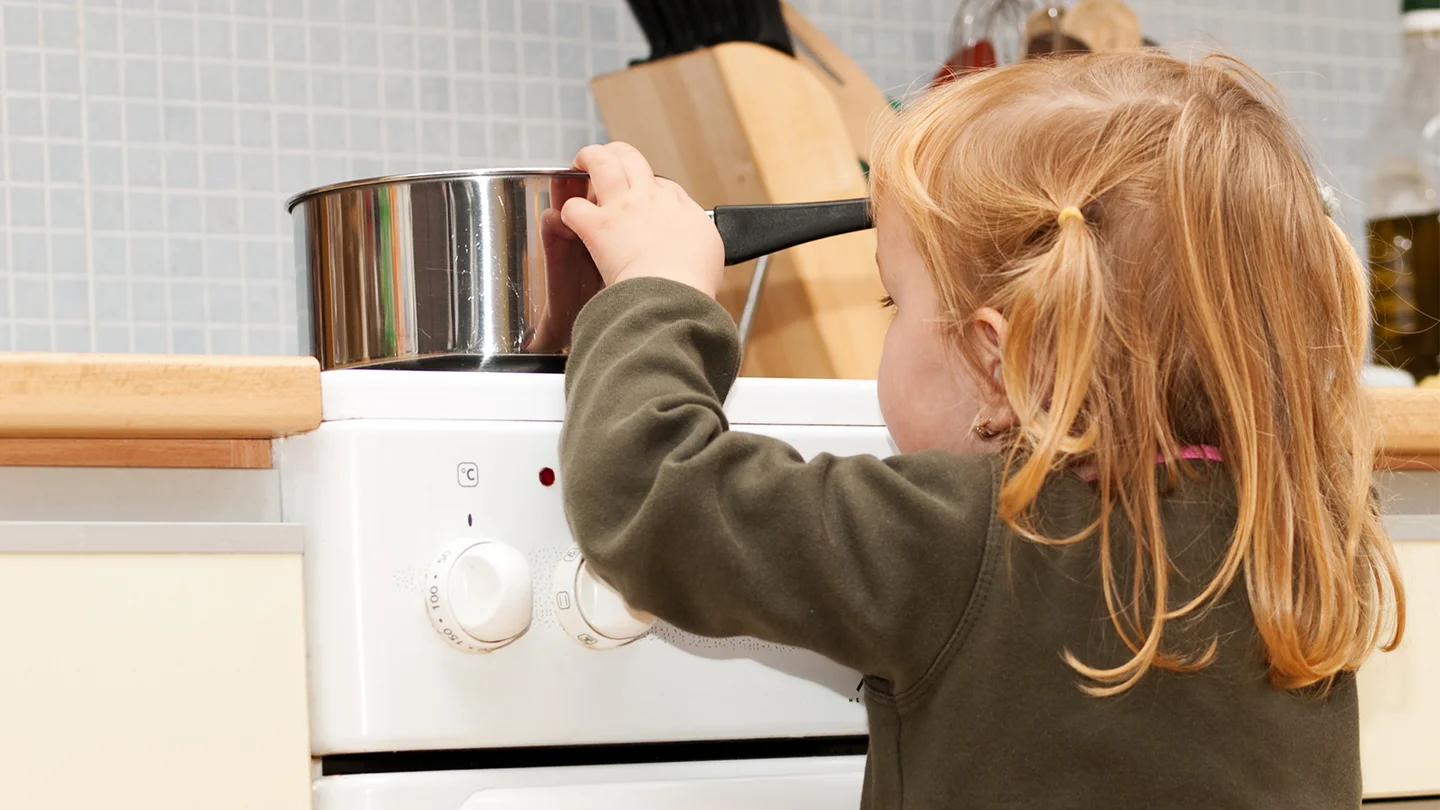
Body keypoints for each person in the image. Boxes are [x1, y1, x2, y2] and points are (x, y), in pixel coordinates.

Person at [554, 50, 1406, 809]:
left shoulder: (961, 532)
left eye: (893, 300)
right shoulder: (1307, 532)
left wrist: (658, 284)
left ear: (1000, 362)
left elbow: (651, 493)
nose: (888, 323)